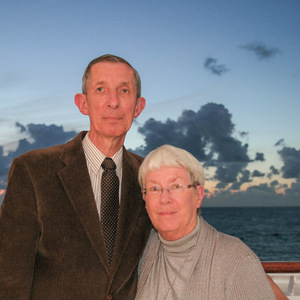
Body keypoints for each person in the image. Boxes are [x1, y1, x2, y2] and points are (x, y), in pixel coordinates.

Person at [0, 54, 152, 299]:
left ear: (138, 106)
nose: (113, 102)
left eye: (124, 91)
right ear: (83, 103)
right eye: (101, 89)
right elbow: (10, 279)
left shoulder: (149, 176)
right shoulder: (32, 170)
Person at [136, 144, 279, 300]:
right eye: (154, 188)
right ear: (145, 199)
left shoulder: (237, 260)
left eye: (176, 186)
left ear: (198, 195)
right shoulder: (141, 251)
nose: (164, 198)